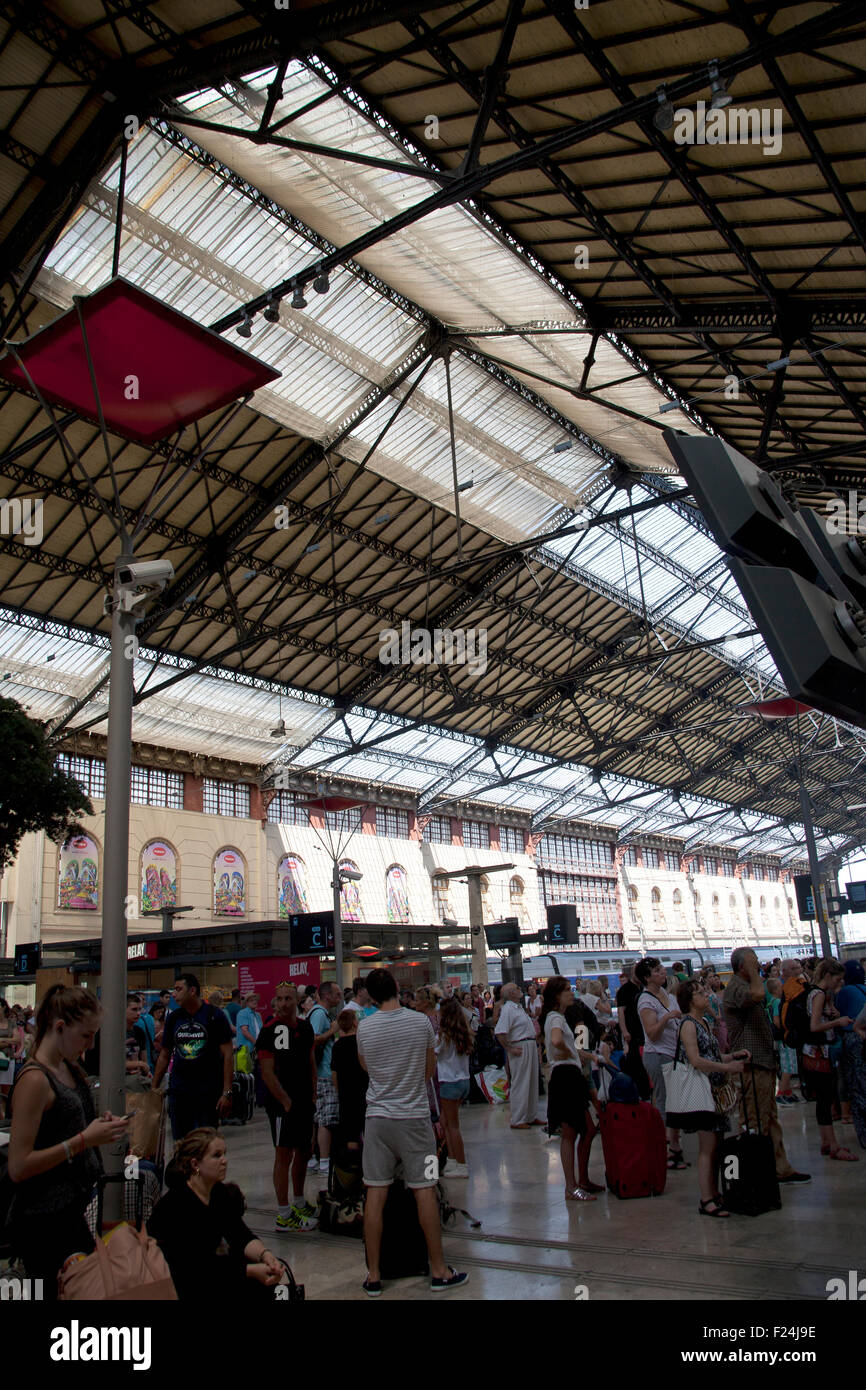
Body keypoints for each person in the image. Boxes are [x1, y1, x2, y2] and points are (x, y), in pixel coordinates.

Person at [6, 986, 130, 1295]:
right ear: (60, 1027)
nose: (89, 1046)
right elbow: (19, 1166)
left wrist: (95, 1130)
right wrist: (83, 1140)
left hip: (71, 1212)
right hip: (43, 1222)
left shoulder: (68, 1069)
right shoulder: (35, 1080)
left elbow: (69, 1128)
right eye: (85, 1036)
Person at [357, 969, 468, 1295]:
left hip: (376, 1120)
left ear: (372, 996)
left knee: (374, 1193)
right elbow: (429, 1069)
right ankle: (438, 1270)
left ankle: (374, 1275)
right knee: (425, 1188)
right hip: (416, 1120)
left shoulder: (364, 1026)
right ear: (396, 988)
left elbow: (365, 1066)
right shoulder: (420, 1023)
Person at [148, 1128, 293, 1301]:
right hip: (182, 1282)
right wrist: (250, 1271)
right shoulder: (176, 1205)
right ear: (195, 1164)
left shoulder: (218, 1193)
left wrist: (265, 1255)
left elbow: (239, 1234)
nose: (224, 1161)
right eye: (217, 1155)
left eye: (224, 1154)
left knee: (277, 1291)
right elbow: (194, 1264)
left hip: (214, 1272)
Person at [723, 948, 810, 1184]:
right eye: (753, 962)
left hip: (763, 1059)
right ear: (742, 967)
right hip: (750, 1063)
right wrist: (753, 972)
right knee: (754, 1118)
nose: (758, 964)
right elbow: (758, 995)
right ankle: (756, 1170)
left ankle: (780, 1166)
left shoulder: (744, 985)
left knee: (769, 1116)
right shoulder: (735, 989)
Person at [666, 979, 749, 1218]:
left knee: (717, 1146)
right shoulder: (688, 1025)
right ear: (690, 1000)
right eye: (701, 993)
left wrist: (732, 1056)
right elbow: (695, 1060)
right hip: (703, 1093)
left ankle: (715, 1193)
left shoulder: (703, 1022)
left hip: (715, 1093)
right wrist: (728, 1068)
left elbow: (711, 1054)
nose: (707, 995)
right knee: (707, 1148)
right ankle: (706, 1199)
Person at [256, 982, 318, 1232]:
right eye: (279, 999)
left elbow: (311, 1061)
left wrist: (313, 1093)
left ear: (297, 1001)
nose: (283, 1004)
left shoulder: (305, 1027)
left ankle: (300, 1201)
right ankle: (283, 1213)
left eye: (288, 999)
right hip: (283, 1105)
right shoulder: (270, 1030)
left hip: (304, 1101)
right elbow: (268, 1073)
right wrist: (285, 1101)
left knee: (304, 1151)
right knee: (284, 1154)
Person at [151, 973, 234, 1141]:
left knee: (206, 1142)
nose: (174, 994)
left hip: (208, 1092)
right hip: (180, 1091)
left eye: (178, 989)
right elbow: (165, 1055)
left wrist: (227, 1092)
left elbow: (228, 1055)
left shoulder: (215, 1015)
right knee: (181, 1143)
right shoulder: (174, 1018)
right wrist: (154, 1088)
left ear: (193, 991)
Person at [541, 977, 596, 1202]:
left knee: (583, 1129)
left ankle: (579, 1181)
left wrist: (589, 1055)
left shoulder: (560, 1017)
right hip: (566, 1077)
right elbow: (556, 1041)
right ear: (556, 996)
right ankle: (572, 1185)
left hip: (567, 1075)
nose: (571, 993)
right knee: (572, 1132)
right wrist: (564, 1049)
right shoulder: (556, 1018)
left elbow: (571, 1046)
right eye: (566, 990)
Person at [803, 958, 857, 1162]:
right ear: (828, 976)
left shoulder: (812, 992)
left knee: (823, 1101)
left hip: (811, 1052)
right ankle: (833, 1144)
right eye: (838, 979)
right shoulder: (818, 995)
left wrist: (829, 1014)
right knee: (826, 1097)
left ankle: (827, 1142)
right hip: (820, 1052)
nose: (839, 983)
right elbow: (814, 1026)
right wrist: (837, 1021)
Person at [637, 957, 687, 1169]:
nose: (663, 973)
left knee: (674, 1100)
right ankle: (668, 1148)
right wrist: (667, 1018)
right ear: (647, 978)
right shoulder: (646, 1000)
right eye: (657, 971)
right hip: (658, 1055)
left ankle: (674, 1144)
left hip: (674, 1054)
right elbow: (651, 1033)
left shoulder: (666, 994)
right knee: (665, 1100)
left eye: (661, 970)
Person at [307, 981, 343, 1176]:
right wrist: (332, 1030)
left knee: (319, 1117)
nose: (339, 997)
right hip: (324, 1073)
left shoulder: (317, 1013)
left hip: (321, 1072)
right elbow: (312, 1039)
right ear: (327, 995)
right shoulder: (320, 1014)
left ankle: (315, 1158)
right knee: (326, 1119)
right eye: (337, 994)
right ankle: (324, 1160)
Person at [495, 982, 543, 1129]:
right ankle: (517, 1119)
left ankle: (530, 1115)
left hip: (529, 1044)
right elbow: (500, 1032)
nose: (520, 989)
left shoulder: (519, 1008)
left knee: (532, 1082)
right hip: (520, 1047)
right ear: (511, 994)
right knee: (521, 1083)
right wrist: (509, 1048)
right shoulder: (508, 1009)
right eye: (517, 988)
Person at [435, 997, 472, 1178]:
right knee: (445, 1122)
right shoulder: (463, 1032)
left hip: (449, 1082)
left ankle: (461, 1164)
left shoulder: (442, 1035)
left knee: (453, 1126)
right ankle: (451, 1159)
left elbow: (432, 1053)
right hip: (464, 1080)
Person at [836, 961, 866, 1148]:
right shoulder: (864, 988)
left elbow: (839, 1014)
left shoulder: (844, 992)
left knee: (856, 1084)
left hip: (852, 1039)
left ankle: (863, 1132)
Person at [331, 1008, 369, 1150]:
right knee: (367, 1128)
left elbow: (334, 1072)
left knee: (350, 1132)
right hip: (363, 1089)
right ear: (354, 1022)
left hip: (346, 1093)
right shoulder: (361, 1042)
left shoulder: (337, 1046)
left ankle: (352, 1165)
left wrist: (339, 1090)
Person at [616, 962, 651, 1100]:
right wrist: (624, 1031)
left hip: (644, 1032)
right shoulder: (625, 990)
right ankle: (640, 1092)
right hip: (632, 1032)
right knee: (636, 1063)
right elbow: (621, 1012)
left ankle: (646, 1090)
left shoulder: (643, 988)